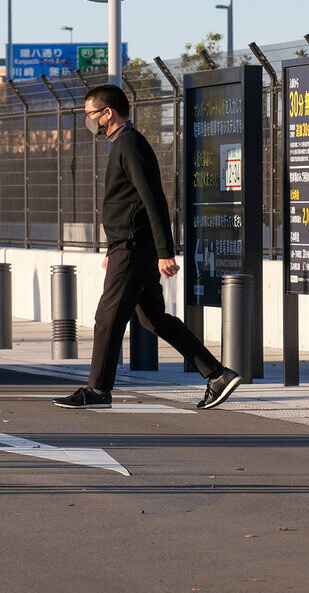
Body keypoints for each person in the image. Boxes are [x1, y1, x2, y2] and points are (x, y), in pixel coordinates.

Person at [53, 83, 241, 410]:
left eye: (90, 114)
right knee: (152, 318)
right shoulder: (123, 145)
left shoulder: (130, 146)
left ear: (107, 113)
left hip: (133, 247)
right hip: (126, 247)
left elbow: (153, 200)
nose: (89, 121)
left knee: (107, 318)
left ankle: (97, 391)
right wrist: (115, 249)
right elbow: (130, 204)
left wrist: (164, 251)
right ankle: (217, 374)